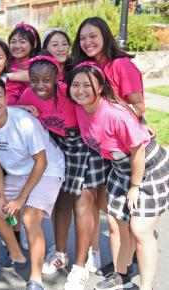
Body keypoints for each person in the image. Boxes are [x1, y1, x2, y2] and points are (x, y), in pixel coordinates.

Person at [68, 62, 169, 290]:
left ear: (101, 87)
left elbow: (139, 150)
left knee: (141, 229)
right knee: (117, 225)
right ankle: (121, 275)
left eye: (87, 85)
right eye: (75, 85)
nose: (80, 90)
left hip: (148, 168)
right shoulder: (79, 108)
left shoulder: (114, 114)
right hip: (120, 168)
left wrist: (135, 186)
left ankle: (147, 286)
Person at [14, 55, 109, 289]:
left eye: (47, 80)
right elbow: (9, 109)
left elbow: (100, 106)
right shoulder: (29, 94)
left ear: (57, 78)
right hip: (58, 147)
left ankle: (79, 267)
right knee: (62, 202)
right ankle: (60, 254)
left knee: (83, 204)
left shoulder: (69, 92)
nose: (40, 85)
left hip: (84, 146)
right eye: (34, 80)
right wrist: (21, 106)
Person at [73, 16, 149, 277]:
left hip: (127, 140)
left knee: (125, 209)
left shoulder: (120, 65)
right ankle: (124, 259)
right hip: (105, 145)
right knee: (112, 207)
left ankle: (132, 257)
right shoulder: (88, 66)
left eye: (93, 36)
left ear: (105, 35)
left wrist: (113, 107)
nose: (87, 42)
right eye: (82, 38)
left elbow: (139, 107)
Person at [0, 76, 65, 290]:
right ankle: (16, 254)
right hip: (19, 171)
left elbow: (41, 162)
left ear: (6, 98)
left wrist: (20, 198)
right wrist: (3, 196)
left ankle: (35, 278)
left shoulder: (23, 121)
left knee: (29, 217)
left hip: (48, 168)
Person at [6, 22, 40, 105]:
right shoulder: (5, 63)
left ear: (34, 44)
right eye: (13, 42)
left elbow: (37, 76)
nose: (17, 46)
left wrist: (6, 76)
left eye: (22, 42)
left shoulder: (40, 64)